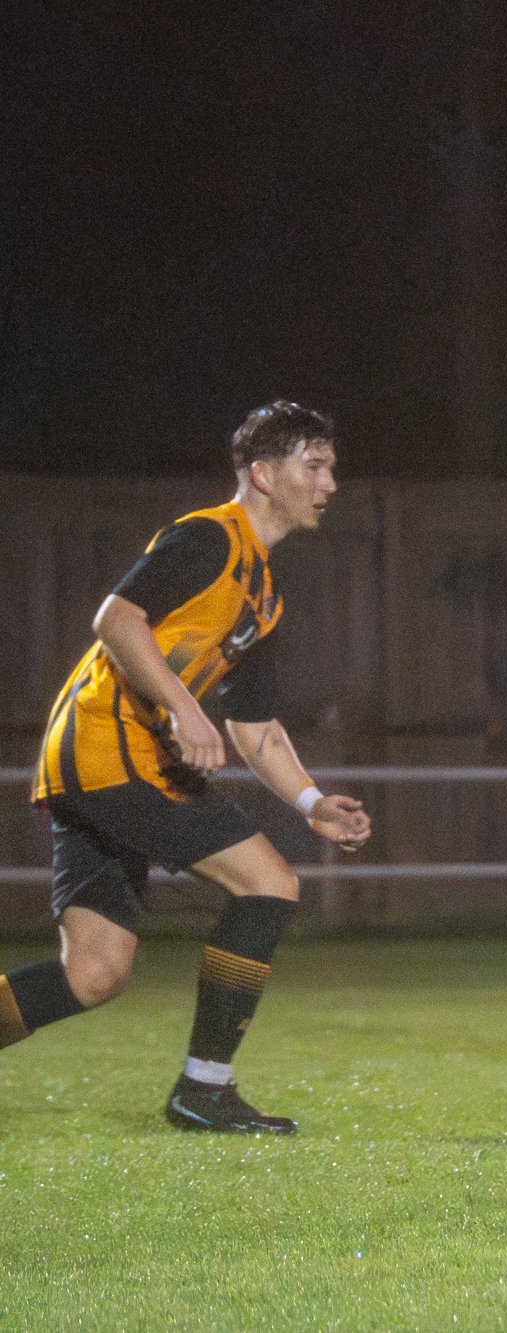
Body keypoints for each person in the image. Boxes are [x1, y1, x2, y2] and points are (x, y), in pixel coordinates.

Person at [4, 401, 373, 1133]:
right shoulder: (208, 537)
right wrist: (180, 706)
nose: (331, 478)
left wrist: (308, 801)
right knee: (270, 883)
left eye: (331, 464)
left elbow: (254, 724)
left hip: (96, 762)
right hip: (108, 750)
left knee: (94, 972)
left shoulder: (262, 592)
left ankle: (201, 1089)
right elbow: (116, 617)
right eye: (315, 464)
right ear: (264, 475)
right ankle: (204, 1088)